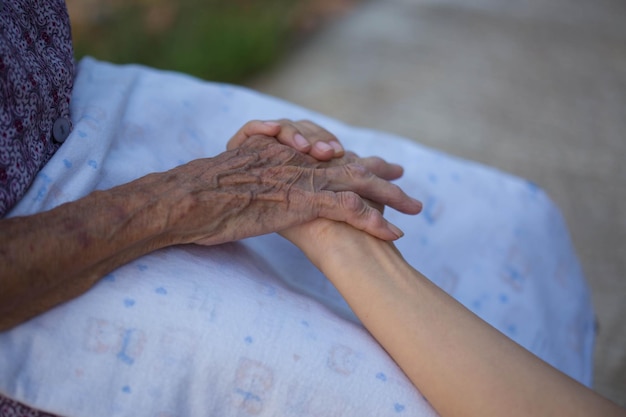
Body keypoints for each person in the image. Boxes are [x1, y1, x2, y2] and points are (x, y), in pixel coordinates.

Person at [1, 1, 625, 416]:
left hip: (76, 109)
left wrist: (325, 225)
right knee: (390, 399)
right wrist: (189, 198)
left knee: (514, 220)